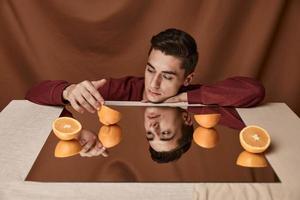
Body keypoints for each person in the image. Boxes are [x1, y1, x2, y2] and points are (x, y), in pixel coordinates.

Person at [25, 28, 265, 114]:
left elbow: (253, 90)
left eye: (168, 76)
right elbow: (34, 93)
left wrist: (182, 98)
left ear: (187, 78)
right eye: (151, 70)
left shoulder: (196, 94)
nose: (154, 84)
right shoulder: (126, 88)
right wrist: (69, 91)